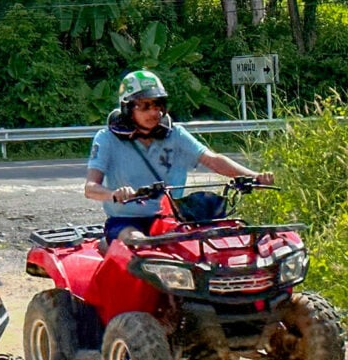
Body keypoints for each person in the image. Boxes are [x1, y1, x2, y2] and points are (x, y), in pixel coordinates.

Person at [84, 69, 274, 244]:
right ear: (128, 109)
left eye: (158, 105)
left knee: (213, 244)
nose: (154, 112)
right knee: (137, 242)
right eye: (145, 106)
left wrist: (255, 177)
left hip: (171, 219)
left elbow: (213, 160)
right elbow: (90, 188)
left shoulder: (175, 134)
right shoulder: (107, 138)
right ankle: (109, 246)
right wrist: (114, 194)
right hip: (125, 222)